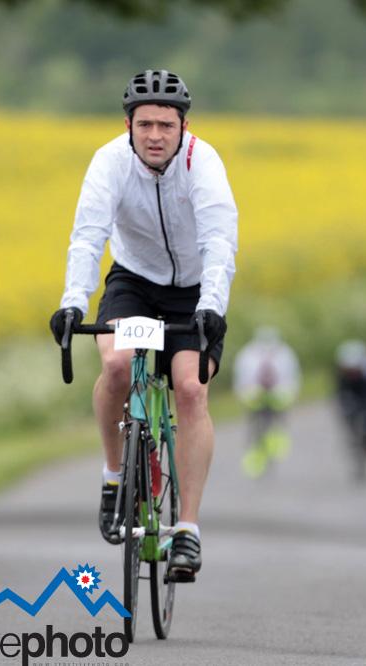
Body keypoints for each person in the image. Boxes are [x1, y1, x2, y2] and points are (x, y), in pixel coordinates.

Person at [49, 69, 238, 581]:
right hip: (134, 282)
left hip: (194, 294)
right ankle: (115, 477)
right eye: (146, 124)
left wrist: (212, 306)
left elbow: (219, 243)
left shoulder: (205, 163)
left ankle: (189, 531)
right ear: (128, 124)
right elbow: (88, 236)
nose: (155, 136)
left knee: (190, 390)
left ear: (184, 127)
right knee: (114, 366)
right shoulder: (109, 162)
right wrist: (72, 302)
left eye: (167, 126)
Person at [232, 327, 301, 478]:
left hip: (278, 396)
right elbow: (241, 378)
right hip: (255, 397)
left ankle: (274, 447)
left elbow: (292, 376)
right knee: (255, 426)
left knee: (278, 423)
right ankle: (256, 453)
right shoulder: (247, 355)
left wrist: (287, 394)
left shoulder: (285, 354)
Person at [334, 339, 366, 483]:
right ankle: (356, 452)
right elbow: (339, 394)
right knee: (350, 425)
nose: (352, 373)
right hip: (352, 397)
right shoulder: (341, 375)